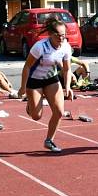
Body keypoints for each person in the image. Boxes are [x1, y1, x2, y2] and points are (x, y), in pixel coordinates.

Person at [19, 17, 74, 153]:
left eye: (64, 35)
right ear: (50, 34)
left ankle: (49, 140)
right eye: (58, 35)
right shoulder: (40, 47)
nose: (61, 38)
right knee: (36, 116)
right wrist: (22, 87)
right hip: (34, 81)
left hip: (51, 80)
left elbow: (66, 69)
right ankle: (31, 106)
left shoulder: (66, 47)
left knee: (59, 111)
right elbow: (27, 67)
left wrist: (68, 87)